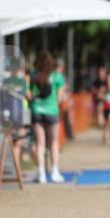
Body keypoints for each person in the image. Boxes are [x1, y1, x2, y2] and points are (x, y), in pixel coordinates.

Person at [28, 51, 67, 184]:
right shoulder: (57, 77)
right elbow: (60, 97)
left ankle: (41, 173)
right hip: (51, 111)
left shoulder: (34, 76)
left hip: (36, 110)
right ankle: (55, 171)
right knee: (54, 142)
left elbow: (28, 94)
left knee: (40, 142)